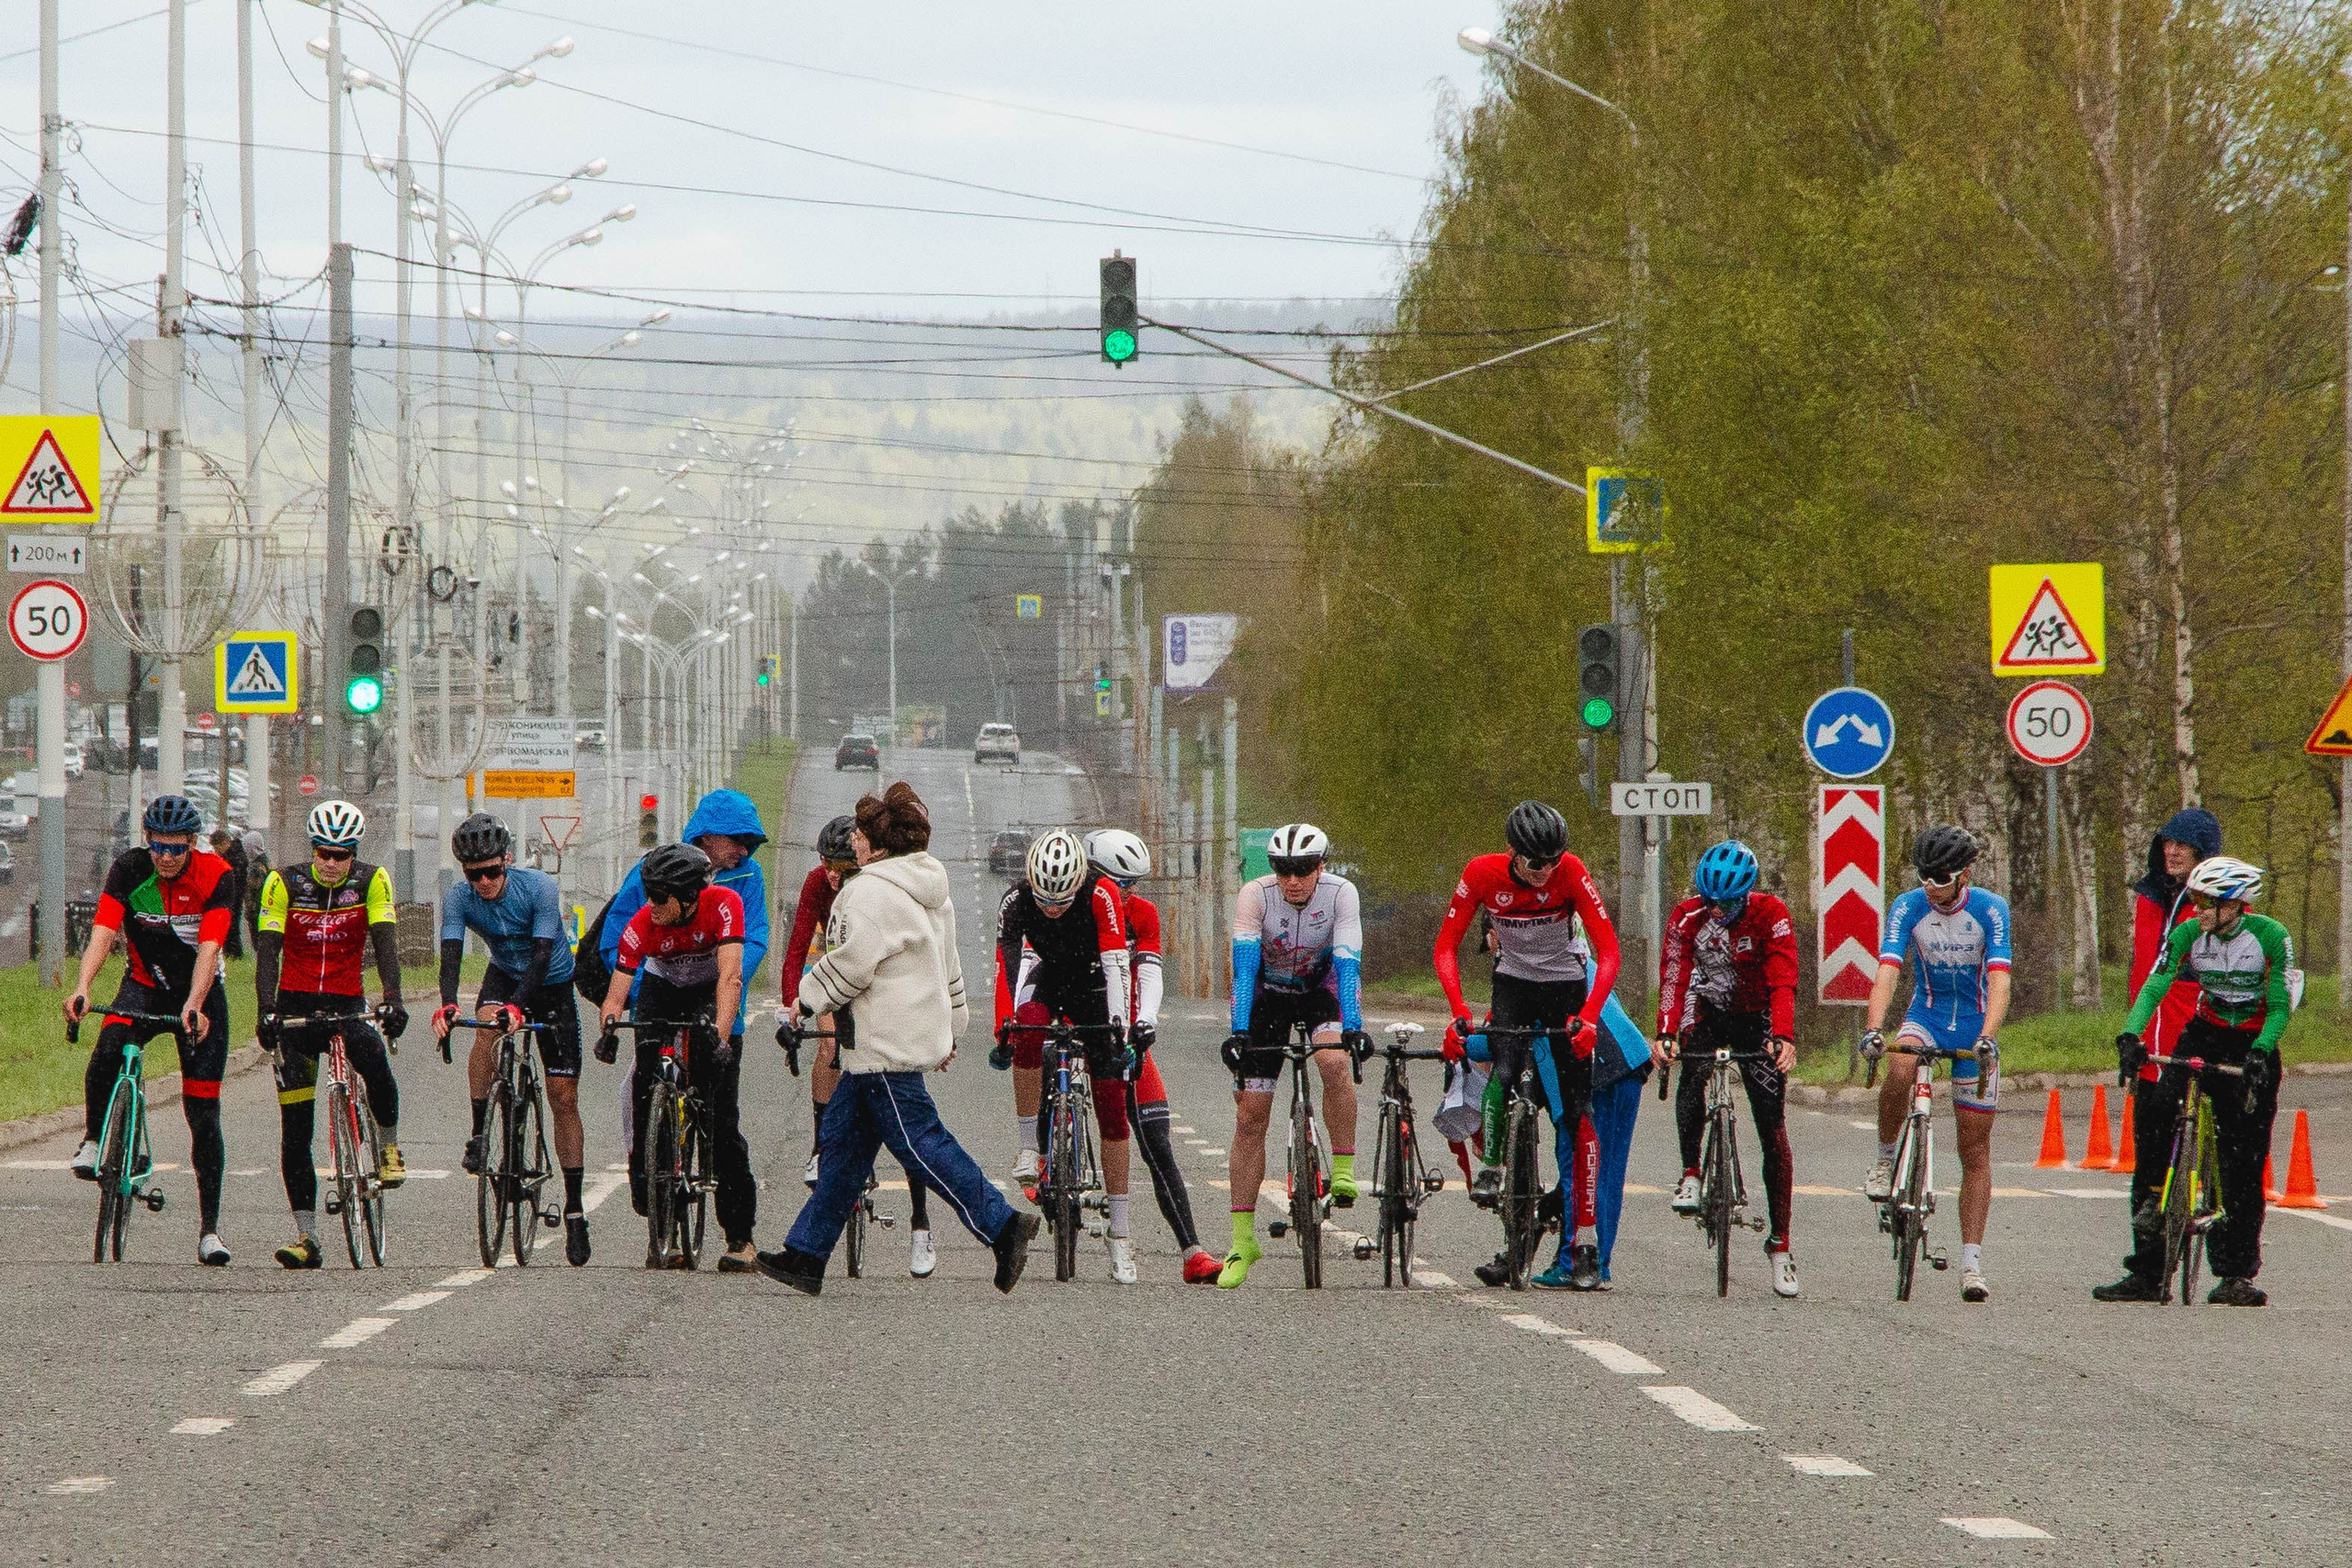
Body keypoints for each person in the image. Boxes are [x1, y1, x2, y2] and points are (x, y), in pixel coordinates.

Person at [757, 782, 1040, 1295]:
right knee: (842, 1149)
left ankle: (1003, 1226)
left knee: (922, 1145)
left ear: (878, 846)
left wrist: (803, 1002)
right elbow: (949, 970)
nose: (854, 842)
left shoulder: (866, 892)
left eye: (861, 836)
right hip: (890, 1044)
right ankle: (806, 1255)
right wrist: (950, 1031)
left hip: (881, 1046)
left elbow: (851, 966)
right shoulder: (931, 890)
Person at [1433, 800, 1620, 1291]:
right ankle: (1493, 1167)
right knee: (1503, 1068)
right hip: (1513, 984)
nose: (1546, 871)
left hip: (1565, 986)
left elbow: (1609, 951)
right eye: (1536, 862)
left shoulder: (1570, 871)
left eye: (1554, 860)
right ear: (1513, 853)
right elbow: (1446, 945)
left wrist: (1589, 1017)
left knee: (1578, 1112)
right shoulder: (1482, 873)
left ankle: (1585, 1242)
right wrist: (1457, 1010)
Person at [2096, 856, 2292, 1307]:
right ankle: (2151, 1244)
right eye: (2196, 901)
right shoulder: (2188, 934)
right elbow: (2155, 983)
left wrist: (2262, 1051)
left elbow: (2281, 1004)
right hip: (2204, 1032)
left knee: (2242, 1162)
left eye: (2208, 903)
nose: (2199, 910)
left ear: (2236, 904)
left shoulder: (2271, 937)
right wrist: (2130, 1034)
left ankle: (2236, 1275)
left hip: (2253, 1041)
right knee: (2158, 1109)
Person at [600, 788, 772, 1267]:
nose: (745, 851)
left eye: (751, 843)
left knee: (720, 1116)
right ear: (708, 836)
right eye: (739, 840)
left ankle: (739, 1237)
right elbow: (617, 947)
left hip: (717, 988)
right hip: (660, 985)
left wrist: (722, 1026)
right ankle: (659, 1218)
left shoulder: (743, 881)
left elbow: (750, 947)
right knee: (646, 1086)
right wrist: (623, 1014)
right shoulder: (652, 878)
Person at [64, 795, 237, 1265]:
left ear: (192, 843)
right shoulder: (129, 869)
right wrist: (82, 987)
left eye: (176, 848)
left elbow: (210, 947)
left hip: (200, 994)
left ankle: (209, 1231)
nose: (166, 857)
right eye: (158, 846)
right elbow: (104, 931)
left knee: (203, 1113)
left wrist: (195, 1003)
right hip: (143, 986)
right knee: (108, 1047)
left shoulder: (217, 875)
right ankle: (94, 1140)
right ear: (147, 841)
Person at [433, 813, 594, 1267]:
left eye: (491, 872)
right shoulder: (459, 897)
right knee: (485, 1032)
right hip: (503, 974)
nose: (483, 882)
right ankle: (479, 1135)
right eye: (474, 875)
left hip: (551, 983)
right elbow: (451, 953)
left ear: (506, 860)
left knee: (564, 1096)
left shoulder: (538, 887)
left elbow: (542, 955)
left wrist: (520, 1008)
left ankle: (575, 1208)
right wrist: (447, 1004)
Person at [255, 801, 410, 1269]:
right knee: (295, 1128)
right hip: (296, 1010)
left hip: (346, 1006)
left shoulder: (372, 881)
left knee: (375, 1061)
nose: (330, 863)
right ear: (313, 848)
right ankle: (306, 1236)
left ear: (353, 853)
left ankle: (388, 1146)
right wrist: (266, 1010)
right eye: (322, 852)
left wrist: (394, 999)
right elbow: (267, 952)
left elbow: (386, 944)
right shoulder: (283, 883)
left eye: (340, 855)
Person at [783, 813, 939, 1273]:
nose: (831, 875)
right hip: (839, 976)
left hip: (884, 985)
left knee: (906, 1124)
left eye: (840, 866)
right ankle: (819, 1151)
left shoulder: (878, 886)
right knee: (828, 1045)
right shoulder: (820, 883)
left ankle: (921, 1225)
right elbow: (797, 949)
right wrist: (792, 1005)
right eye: (825, 864)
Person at [1860, 826, 2011, 1304]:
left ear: (1964, 874)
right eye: (1923, 876)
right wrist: (1874, 1028)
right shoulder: (1908, 906)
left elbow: (2000, 981)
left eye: (1940, 878)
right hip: (1925, 1017)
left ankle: (1971, 1263)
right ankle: (1886, 1160)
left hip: (1973, 1027)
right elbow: (1888, 971)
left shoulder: (1990, 909)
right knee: (1899, 1068)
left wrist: (1988, 1037)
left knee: (1975, 1150)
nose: (1930, 886)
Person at [1217, 821, 1369, 1288]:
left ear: (1321, 866)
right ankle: (1243, 1240)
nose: (1293, 880)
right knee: (1250, 1116)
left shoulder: (1341, 894)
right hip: (1269, 996)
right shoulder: (1256, 895)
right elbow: (1244, 970)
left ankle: (1342, 1169)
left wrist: (1354, 1028)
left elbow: (1348, 964)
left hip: (1322, 989)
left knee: (1333, 1061)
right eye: (1283, 870)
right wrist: (1238, 1032)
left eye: (1303, 870)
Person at [989, 827, 1141, 1283]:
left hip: (1095, 983)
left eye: (1062, 901)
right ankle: (1028, 1147)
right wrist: (1006, 1028)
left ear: (1079, 883)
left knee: (1113, 1110)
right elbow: (1009, 969)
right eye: (1044, 900)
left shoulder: (1102, 892)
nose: (1052, 909)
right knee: (1027, 1025)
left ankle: (1120, 1234)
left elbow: (1117, 964)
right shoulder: (1015, 900)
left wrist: (1119, 1029)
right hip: (1050, 976)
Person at [1655, 839, 1801, 1298]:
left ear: (1747, 893)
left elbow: (1783, 978)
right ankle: (1691, 1173)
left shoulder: (1771, 914)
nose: (1718, 911)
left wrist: (1783, 1036)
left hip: (1756, 1015)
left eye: (1729, 903)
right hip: (1707, 1008)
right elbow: (1674, 976)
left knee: (1771, 1125)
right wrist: (1665, 1032)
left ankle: (1780, 1244)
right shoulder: (1686, 917)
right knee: (1691, 1070)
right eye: (1711, 901)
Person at [1087, 828, 1220, 1284]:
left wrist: (1145, 1021)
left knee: (1157, 1141)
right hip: (1078, 1023)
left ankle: (1192, 1251)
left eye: (1134, 883)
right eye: (1119, 882)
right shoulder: (1074, 908)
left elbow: (1150, 972)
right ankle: (1046, 1161)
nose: (1128, 892)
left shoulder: (1143, 913)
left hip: (1121, 1032)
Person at [2130, 807, 2222, 1067]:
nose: (2171, 851)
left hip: (2193, 1032)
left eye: (2182, 845)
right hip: (2146, 1029)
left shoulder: (2223, 903)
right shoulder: (2150, 898)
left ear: (2202, 852)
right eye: (2167, 843)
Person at [210, 829, 250, 961]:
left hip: (235, 894)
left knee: (232, 924)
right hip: (229, 893)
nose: (217, 851)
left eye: (217, 848)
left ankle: (234, 953)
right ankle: (229, 952)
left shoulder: (236, 857)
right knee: (228, 923)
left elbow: (236, 877)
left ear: (224, 843)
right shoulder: (231, 855)